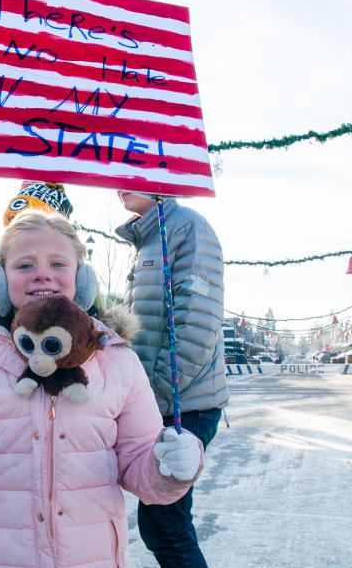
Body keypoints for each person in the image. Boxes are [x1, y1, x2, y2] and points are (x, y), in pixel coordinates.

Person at [0, 210, 204, 567]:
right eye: (24, 265)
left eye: (58, 263)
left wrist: (172, 468)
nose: (42, 273)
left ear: (83, 280)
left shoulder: (117, 363)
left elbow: (143, 476)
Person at [114, 191, 228, 568]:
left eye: (133, 171)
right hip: (158, 400)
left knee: (166, 524)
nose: (119, 184)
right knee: (162, 524)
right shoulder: (147, 236)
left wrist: (157, 393)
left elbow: (197, 320)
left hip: (184, 403)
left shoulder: (188, 226)